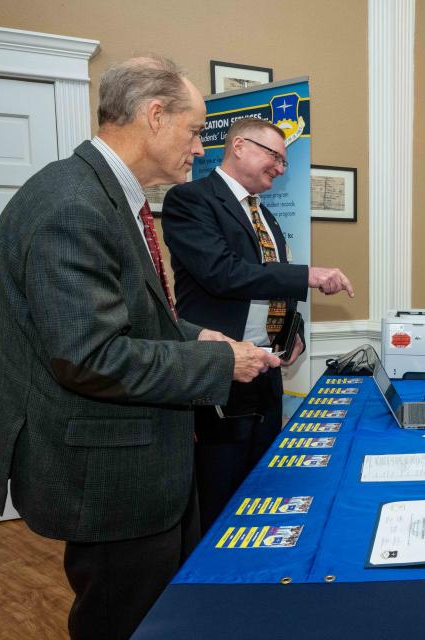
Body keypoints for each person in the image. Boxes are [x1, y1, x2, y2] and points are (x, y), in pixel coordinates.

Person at [0, 56, 281, 639]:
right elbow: (91, 356)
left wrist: (196, 334)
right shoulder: (72, 205)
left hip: (144, 465)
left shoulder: (108, 196)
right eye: (196, 130)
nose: (201, 148)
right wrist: (220, 359)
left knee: (165, 616)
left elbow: (135, 317)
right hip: (111, 474)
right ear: (153, 116)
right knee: (125, 621)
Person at [162, 117, 354, 532]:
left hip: (265, 376)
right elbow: (223, 273)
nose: (282, 169)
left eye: (285, 162)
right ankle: (211, 588)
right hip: (220, 373)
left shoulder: (264, 214)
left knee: (263, 488)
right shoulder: (190, 201)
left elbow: (274, 285)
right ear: (240, 147)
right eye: (276, 158)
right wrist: (308, 274)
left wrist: (294, 333)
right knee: (219, 496)